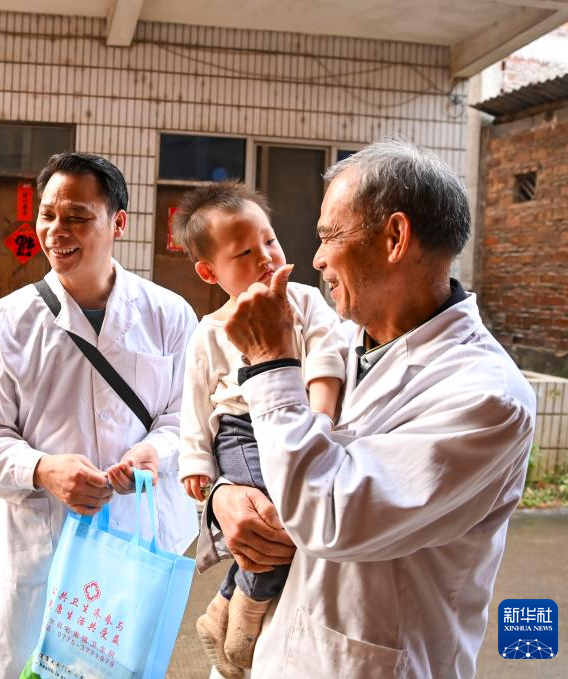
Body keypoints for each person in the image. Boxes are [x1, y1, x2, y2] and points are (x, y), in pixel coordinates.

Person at [208, 139, 536, 678]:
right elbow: (270, 448)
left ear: (395, 237)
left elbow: (327, 515)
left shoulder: (486, 398)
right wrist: (224, 497)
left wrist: (270, 363)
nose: (316, 259)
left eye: (329, 235)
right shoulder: (342, 341)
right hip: (281, 651)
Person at [0, 152, 199, 678]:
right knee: (30, 664)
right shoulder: (5, 324)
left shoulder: (169, 315)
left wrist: (154, 451)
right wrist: (42, 469)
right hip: (42, 544)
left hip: (135, 548)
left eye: (77, 217)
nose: (56, 231)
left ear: (118, 222)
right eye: (47, 215)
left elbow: (189, 416)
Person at [170, 181, 345, 675]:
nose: (266, 257)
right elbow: (195, 402)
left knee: (288, 514)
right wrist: (196, 462)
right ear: (210, 271)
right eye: (244, 252)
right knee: (276, 512)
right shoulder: (209, 330)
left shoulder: (305, 300)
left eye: (269, 240)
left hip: (300, 417)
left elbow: (326, 357)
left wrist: (321, 417)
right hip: (240, 432)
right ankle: (244, 608)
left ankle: (228, 605)